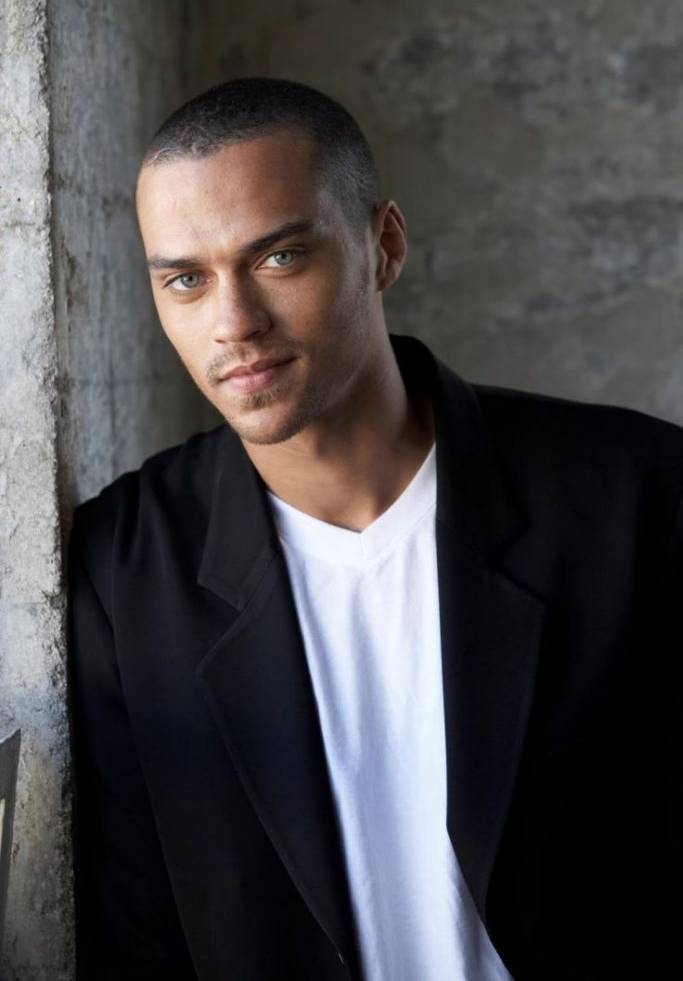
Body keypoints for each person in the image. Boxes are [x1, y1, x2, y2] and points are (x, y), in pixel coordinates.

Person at [68, 77, 683, 981]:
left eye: (279, 258)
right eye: (186, 279)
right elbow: (133, 937)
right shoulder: (123, 570)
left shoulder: (637, 496)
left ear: (382, 246)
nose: (233, 324)